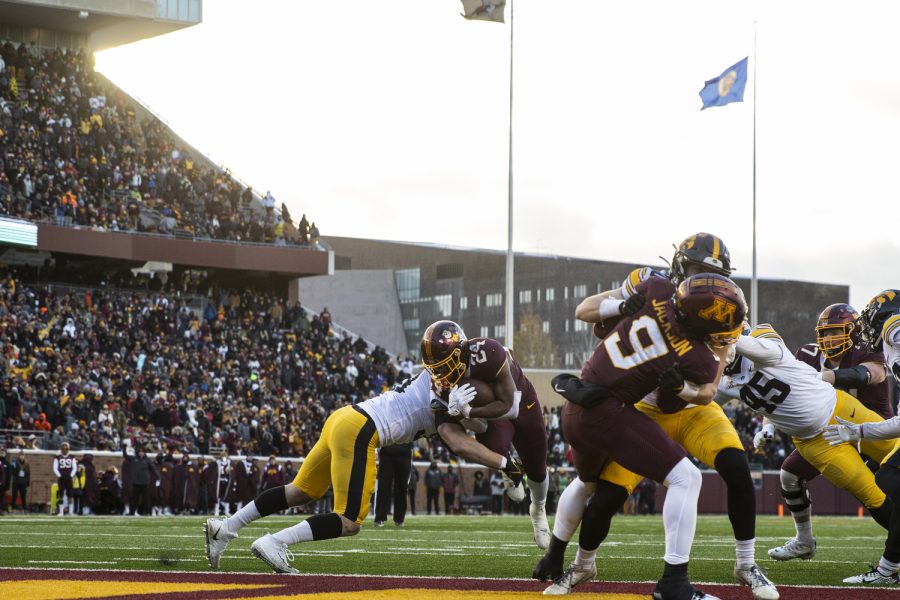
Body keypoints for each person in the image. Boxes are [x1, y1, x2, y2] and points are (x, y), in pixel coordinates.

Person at [537, 272, 745, 600]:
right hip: (605, 413)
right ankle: (674, 584)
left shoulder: (656, 288)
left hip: (574, 404)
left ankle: (554, 556)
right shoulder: (699, 358)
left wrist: (621, 306)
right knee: (686, 478)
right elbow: (686, 397)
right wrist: (682, 385)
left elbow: (592, 319)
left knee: (587, 484)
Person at [204, 371, 521, 573]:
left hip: (343, 417)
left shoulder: (435, 378)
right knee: (349, 521)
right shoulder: (443, 391)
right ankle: (277, 542)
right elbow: (460, 441)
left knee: (301, 491)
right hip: (361, 429)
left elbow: (474, 422)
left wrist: (472, 412)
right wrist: (505, 461)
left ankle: (226, 527)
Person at [725, 323, 897, 589]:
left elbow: (739, 342)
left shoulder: (769, 350)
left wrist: (709, 331)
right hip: (815, 441)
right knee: (872, 494)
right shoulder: (724, 380)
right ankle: (890, 563)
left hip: (841, 409)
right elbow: (775, 402)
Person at [768, 303, 889, 561]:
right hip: (828, 434)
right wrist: (768, 425)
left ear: (853, 331)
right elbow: (783, 393)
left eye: (835, 332)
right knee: (789, 475)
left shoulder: (868, 350)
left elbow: (872, 374)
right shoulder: (807, 355)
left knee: (887, 490)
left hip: (875, 430)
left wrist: (821, 378)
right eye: (824, 333)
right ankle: (803, 540)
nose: (827, 338)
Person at [422, 320, 549, 547]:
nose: (440, 373)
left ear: (460, 352)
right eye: (436, 368)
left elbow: (510, 406)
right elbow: (480, 428)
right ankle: (508, 465)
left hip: (521, 402)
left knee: (538, 467)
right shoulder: (440, 387)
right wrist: (461, 415)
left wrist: (470, 410)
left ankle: (538, 509)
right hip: (491, 418)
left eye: (444, 365)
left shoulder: (487, 352)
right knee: (492, 449)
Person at [824, 289, 900, 584]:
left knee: (890, 479)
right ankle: (887, 569)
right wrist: (858, 432)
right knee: (889, 478)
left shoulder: (892, 327)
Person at [374, 442, 413, 527]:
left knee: (402, 487)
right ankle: (380, 518)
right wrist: (375, 451)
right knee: (383, 486)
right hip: (386, 452)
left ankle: (399, 519)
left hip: (405, 452)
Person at [123, 444, 157, 516]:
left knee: (146, 499)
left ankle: (148, 512)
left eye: (143, 452)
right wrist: (124, 448)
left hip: (145, 483)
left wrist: (158, 477)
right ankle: (131, 512)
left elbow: (153, 469)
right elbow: (125, 456)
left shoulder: (147, 460)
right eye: (140, 452)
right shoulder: (134, 459)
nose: (141, 453)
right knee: (134, 499)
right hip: (136, 483)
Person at [53, 441, 77, 516]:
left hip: (69, 478)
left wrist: (71, 475)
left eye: (66, 448)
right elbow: (55, 468)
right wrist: (60, 476)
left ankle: (70, 512)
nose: (64, 449)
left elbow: (74, 467)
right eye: (63, 448)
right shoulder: (58, 457)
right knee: (61, 495)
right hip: (61, 478)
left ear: (68, 449)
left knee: (70, 495)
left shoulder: (72, 457)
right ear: (61, 449)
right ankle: (61, 512)